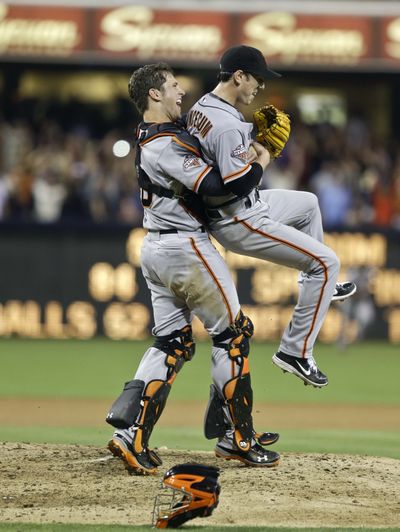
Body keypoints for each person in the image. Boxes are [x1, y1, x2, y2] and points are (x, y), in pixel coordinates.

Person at [105, 62, 280, 475]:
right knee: (232, 335)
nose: (180, 90)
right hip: (186, 247)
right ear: (153, 95)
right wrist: (262, 160)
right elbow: (219, 190)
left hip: (156, 247)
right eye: (172, 85)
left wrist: (244, 144)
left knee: (173, 341)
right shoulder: (165, 142)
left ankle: (130, 435)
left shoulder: (156, 136)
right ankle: (238, 439)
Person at [187, 45, 356, 388]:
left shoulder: (202, 107)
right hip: (237, 217)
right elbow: (237, 183)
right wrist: (263, 156)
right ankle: (295, 351)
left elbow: (222, 153)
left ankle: (319, 286)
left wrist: (251, 137)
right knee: (326, 262)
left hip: (241, 205)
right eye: (257, 79)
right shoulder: (226, 124)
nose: (259, 87)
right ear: (239, 76)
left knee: (308, 203)